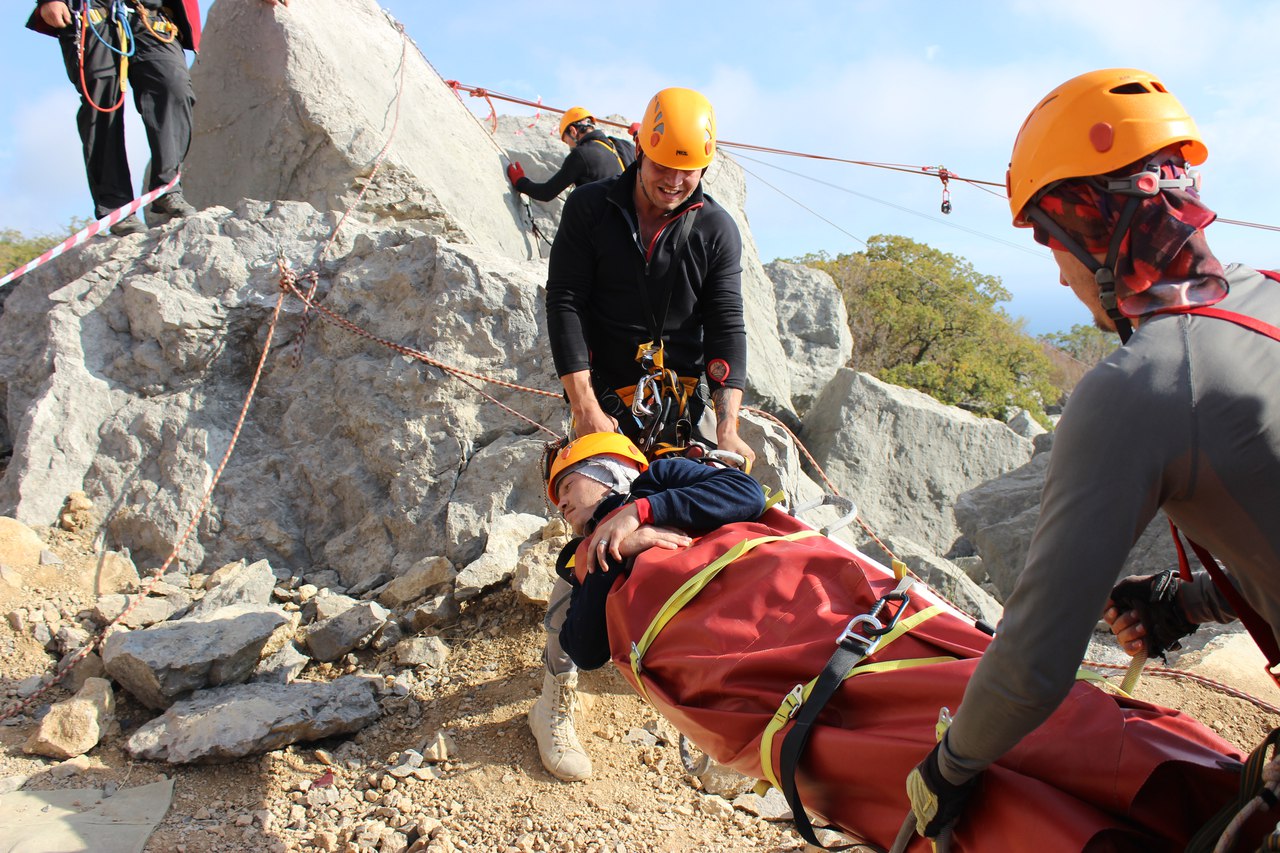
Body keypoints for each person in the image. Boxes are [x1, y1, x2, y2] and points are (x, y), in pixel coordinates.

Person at [903, 67, 1280, 844]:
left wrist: (944, 768)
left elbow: (1034, 664)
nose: (1059, 270)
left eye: (1052, 238)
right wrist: (1191, 600)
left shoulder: (1140, 383)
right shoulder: (1266, 295)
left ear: (1095, 228)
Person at [530, 86, 754, 782]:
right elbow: (563, 297)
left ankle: (705, 699)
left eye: (687, 174)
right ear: (640, 147)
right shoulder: (593, 207)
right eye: (662, 169)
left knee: (716, 520)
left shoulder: (713, 230)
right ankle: (554, 691)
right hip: (602, 393)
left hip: (676, 403)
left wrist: (729, 423)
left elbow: (727, 325)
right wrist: (583, 405)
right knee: (598, 523)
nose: (672, 183)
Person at [26, 0, 286, 237]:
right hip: (90, 13)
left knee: (173, 87)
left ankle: (167, 188)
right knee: (101, 106)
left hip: (151, 15)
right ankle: (116, 209)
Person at [544, 432, 765, 668]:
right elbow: (584, 652)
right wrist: (614, 550)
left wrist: (642, 511)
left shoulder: (658, 477)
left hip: (753, 598)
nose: (563, 504)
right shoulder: (588, 557)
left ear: (607, 471)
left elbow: (748, 493)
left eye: (568, 486)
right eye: (559, 500)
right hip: (712, 655)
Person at [506, 107, 636, 203]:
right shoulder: (625, 146)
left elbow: (546, 193)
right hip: (636, 228)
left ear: (573, 131)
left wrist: (520, 182)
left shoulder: (581, 154)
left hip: (604, 230)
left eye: (567, 141)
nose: (570, 147)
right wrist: (639, 135)